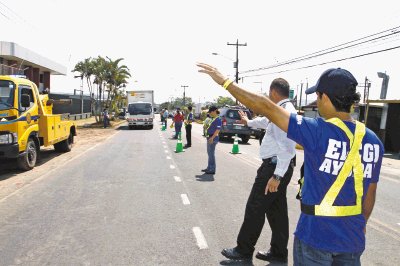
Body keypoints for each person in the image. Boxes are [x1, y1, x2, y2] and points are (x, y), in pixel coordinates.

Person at [197, 63, 383, 265]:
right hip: (352, 241)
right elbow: (370, 192)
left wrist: (225, 82)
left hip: (315, 238)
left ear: (326, 98)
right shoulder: (373, 141)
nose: (317, 100)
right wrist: (361, 223)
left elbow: (265, 107)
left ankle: (253, 249)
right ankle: (276, 251)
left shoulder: (316, 131)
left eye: (318, 95)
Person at [220, 79, 297, 263]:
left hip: (274, 167)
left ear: (273, 92)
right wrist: (249, 122)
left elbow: (287, 147)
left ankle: (243, 250)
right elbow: (266, 121)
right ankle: (278, 252)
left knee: (255, 207)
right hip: (278, 166)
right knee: (276, 211)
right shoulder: (282, 110)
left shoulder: (284, 112)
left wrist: (277, 175)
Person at [201, 106, 221, 175]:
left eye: (210, 112)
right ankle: (209, 167)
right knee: (209, 153)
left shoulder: (218, 119)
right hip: (209, 137)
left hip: (213, 138)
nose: (210, 113)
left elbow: (218, 130)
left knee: (211, 154)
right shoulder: (212, 118)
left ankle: (212, 169)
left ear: (214, 111)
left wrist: (212, 137)